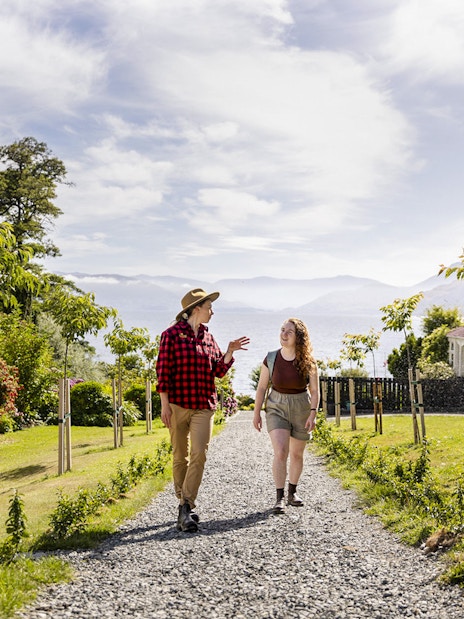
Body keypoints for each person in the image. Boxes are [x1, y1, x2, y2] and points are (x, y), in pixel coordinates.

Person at [156, 287, 249, 532]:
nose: (212, 312)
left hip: (203, 406)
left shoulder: (208, 337)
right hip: (177, 404)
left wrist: (229, 352)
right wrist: (164, 405)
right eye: (209, 307)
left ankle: (185, 506)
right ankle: (183, 504)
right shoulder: (171, 335)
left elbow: (218, 370)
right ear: (195, 309)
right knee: (179, 455)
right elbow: (163, 373)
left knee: (199, 453)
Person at [253, 317, 319, 514]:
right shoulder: (271, 358)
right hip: (276, 406)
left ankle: (292, 492)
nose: (284, 334)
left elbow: (315, 391)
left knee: (297, 454)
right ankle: (279, 497)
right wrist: (256, 413)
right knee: (281, 451)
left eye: (289, 331)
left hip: (301, 406)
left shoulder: (309, 361)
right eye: (282, 330)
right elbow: (262, 387)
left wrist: (313, 414)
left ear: (299, 337)